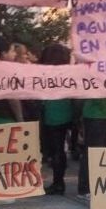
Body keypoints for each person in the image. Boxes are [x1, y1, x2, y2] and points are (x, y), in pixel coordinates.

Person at [39, 44, 73, 195]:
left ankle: (58, 183)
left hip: (53, 114)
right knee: (60, 149)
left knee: (56, 149)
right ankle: (59, 181)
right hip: (66, 111)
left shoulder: (47, 73)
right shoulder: (68, 73)